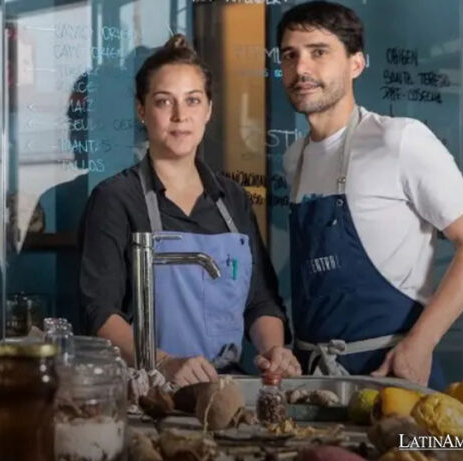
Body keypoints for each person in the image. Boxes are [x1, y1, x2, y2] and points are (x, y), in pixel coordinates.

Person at [278, 1, 463, 388]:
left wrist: (421, 343)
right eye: (290, 55)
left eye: (318, 52)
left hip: (391, 372)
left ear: (356, 64)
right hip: (311, 379)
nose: (302, 69)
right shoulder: (295, 158)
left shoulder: (398, 139)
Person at [79, 35, 301, 386]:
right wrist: (165, 363)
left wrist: (274, 350)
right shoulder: (116, 199)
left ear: (209, 109)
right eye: (164, 102)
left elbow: (261, 301)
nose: (180, 116)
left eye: (193, 101)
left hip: (228, 388)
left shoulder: (233, 199)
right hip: (150, 391)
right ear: (142, 110)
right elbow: (101, 313)